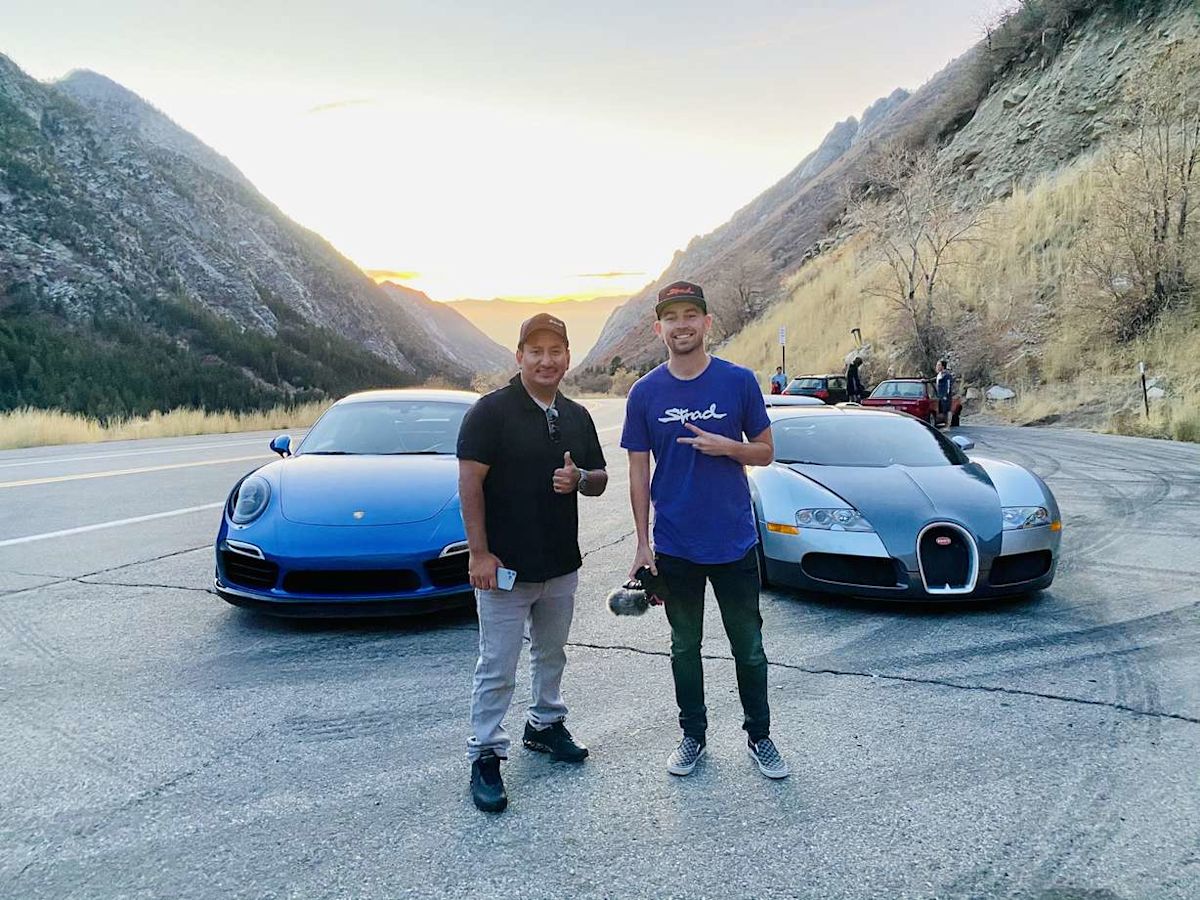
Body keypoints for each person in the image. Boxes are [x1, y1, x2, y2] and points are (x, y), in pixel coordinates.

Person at [621, 280, 789, 780]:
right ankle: (693, 735)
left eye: (690, 314)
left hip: (733, 541)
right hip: (675, 546)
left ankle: (760, 736)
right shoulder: (645, 392)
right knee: (683, 647)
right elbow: (637, 471)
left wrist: (728, 447)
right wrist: (641, 542)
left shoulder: (737, 382)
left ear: (707, 322)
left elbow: (765, 451)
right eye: (671, 316)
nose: (682, 324)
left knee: (749, 647)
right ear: (659, 327)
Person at [457, 312, 609, 813]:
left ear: (567, 357)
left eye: (556, 351)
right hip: (504, 568)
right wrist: (479, 553)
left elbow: (601, 477)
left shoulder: (577, 415)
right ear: (519, 355)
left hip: (560, 565)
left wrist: (579, 478)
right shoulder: (490, 413)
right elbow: (469, 485)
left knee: (551, 654)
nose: (546, 361)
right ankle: (485, 753)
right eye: (536, 351)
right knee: (497, 665)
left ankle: (544, 725)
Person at [935, 359, 953, 424]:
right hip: (940, 396)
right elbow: (935, 380)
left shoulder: (947, 375)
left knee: (947, 410)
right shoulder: (939, 375)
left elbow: (948, 386)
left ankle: (948, 425)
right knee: (942, 410)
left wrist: (946, 395)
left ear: (942, 366)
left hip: (945, 396)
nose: (937, 366)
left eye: (939, 365)